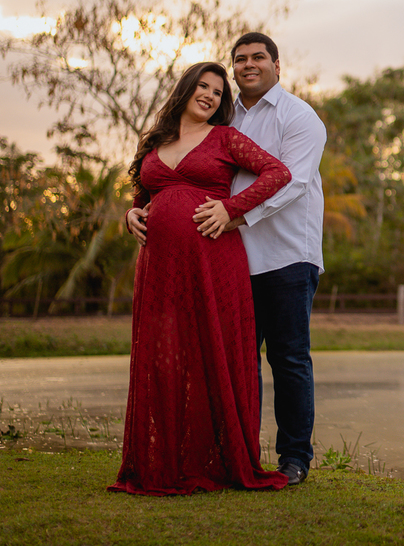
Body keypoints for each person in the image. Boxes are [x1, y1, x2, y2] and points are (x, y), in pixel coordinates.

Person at [130, 33, 326, 486]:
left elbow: (292, 182)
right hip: (225, 261)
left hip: (284, 255)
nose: (248, 66)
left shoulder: (300, 117)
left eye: (258, 58)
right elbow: (161, 180)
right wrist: (139, 211)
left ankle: (295, 457)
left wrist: (234, 215)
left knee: (289, 358)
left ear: (278, 65)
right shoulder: (220, 116)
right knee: (235, 361)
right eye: (240, 60)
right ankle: (237, 451)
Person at [110, 62, 290, 496]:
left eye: (217, 91)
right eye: (203, 87)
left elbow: (278, 173)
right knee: (165, 354)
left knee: (213, 350)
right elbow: (142, 197)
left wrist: (233, 208)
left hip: (213, 261)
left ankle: (218, 459)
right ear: (186, 89)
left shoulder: (225, 138)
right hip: (159, 268)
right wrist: (131, 214)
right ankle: (167, 460)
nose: (210, 95)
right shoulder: (155, 142)